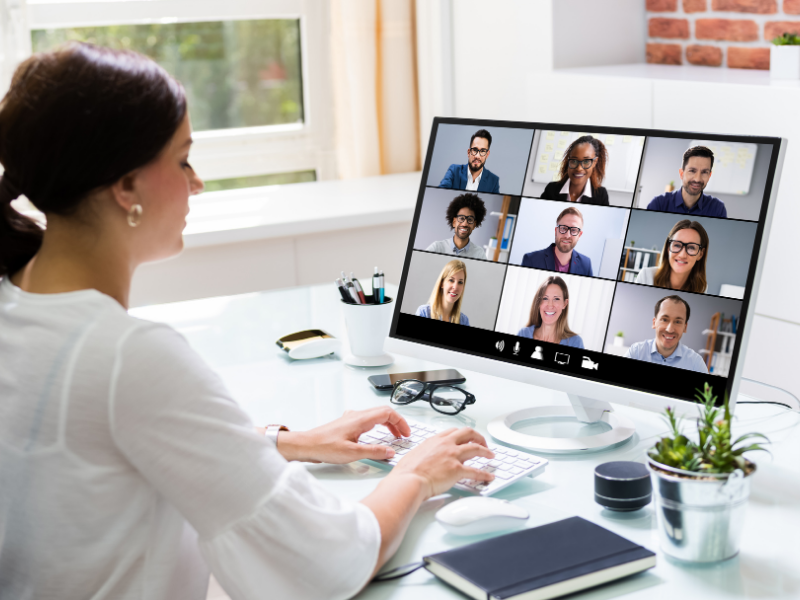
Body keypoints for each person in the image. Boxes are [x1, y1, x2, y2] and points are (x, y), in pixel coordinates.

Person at [0, 44, 496, 600]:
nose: (197, 183)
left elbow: (111, 444)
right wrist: (419, 474)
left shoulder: (16, 303)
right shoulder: (127, 357)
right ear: (126, 187)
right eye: (183, 158)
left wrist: (283, 442)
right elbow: (326, 562)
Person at [625, 295, 708, 373]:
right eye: (664, 320)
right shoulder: (636, 353)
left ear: (685, 327)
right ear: (654, 323)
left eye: (678, 322)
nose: (670, 329)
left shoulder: (696, 364)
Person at [646, 146, 727, 218]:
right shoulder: (659, 204)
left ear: (709, 176)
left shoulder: (718, 208)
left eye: (704, 172)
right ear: (681, 174)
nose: (697, 179)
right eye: (692, 171)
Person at [635, 220, 709, 293]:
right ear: (668, 248)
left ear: (700, 254)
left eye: (691, 247)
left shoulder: (701, 288)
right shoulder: (645, 276)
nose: (682, 255)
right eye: (677, 245)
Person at [521, 207, 593, 276]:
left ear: (579, 235)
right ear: (556, 231)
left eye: (574, 230)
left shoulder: (586, 265)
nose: (567, 235)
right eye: (563, 228)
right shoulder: (531, 260)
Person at [540, 135, 609, 206]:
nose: (579, 168)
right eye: (574, 161)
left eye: (586, 162)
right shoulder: (551, 189)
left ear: (595, 162)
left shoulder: (601, 195)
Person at [516, 275, 584, 347]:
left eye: (556, 299)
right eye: (545, 298)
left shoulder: (575, 343)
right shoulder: (523, 334)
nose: (550, 305)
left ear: (565, 303)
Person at [425, 193, 488, 260]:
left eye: (470, 219)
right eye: (461, 218)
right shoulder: (437, 248)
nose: (465, 224)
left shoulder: (479, 254)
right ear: (454, 222)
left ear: (474, 225)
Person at [439, 129, 500, 193]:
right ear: (468, 152)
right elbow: (441, 192)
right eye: (475, 150)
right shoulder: (454, 171)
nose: (477, 156)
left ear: (487, 155)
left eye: (482, 151)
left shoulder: (494, 181)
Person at [415, 259, 470, 325]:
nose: (455, 287)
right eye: (451, 280)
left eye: (460, 282)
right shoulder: (423, 313)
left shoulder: (464, 321)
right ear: (442, 283)